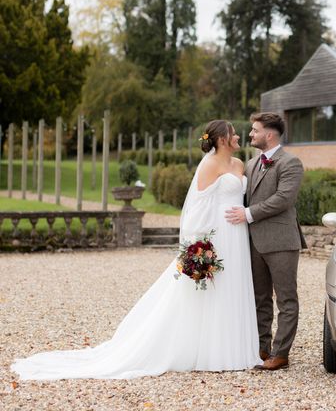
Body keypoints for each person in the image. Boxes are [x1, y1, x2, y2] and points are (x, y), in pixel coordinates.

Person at [11, 121, 261, 380]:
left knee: (233, 285)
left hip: (238, 233)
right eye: (233, 133)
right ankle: (213, 352)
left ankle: (235, 349)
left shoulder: (240, 164)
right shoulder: (209, 165)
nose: (238, 136)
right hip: (217, 234)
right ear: (222, 140)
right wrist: (199, 244)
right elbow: (198, 205)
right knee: (211, 291)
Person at [225, 112, 306, 371]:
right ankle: (262, 348)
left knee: (286, 299)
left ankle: (281, 353)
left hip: (282, 241)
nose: (250, 134)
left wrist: (248, 214)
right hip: (254, 242)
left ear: (268, 135)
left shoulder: (291, 162)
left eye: (255, 130)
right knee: (260, 298)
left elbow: (284, 199)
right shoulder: (250, 164)